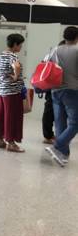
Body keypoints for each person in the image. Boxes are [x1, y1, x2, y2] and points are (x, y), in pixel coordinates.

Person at [45, 26, 78, 166]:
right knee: (75, 123)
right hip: (72, 90)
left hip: (55, 91)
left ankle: (62, 154)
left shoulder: (55, 50)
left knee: (60, 123)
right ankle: (57, 146)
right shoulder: (77, 50)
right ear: (76, 37)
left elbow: (46, 65)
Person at [0, 33, 26, 153]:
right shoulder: (12, 56)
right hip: (12, 92)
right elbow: (16, 66)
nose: (21, 47)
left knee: (1, 115)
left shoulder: (1, 55)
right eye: (20, 45)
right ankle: (11, 143)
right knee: (12, 117)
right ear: (15, 44)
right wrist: (16, 77)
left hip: (1, 91)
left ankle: (0, 139)